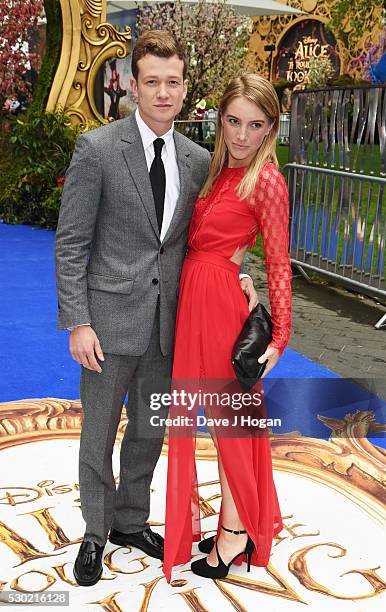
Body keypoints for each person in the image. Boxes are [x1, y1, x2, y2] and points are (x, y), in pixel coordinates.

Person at [54, 30, 257, 587]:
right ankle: (95, 535)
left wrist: (241, 274)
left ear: (185, 87)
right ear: (133, 87)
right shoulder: (97, 149)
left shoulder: (197, 161)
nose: (163, 93)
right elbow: (71, 242)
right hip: (108, 321)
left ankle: (129, 522)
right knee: (97, 433)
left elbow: (206, 237)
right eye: (152, 82)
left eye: (173, 82)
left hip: (172, 323)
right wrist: (77, 320)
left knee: (149, 429)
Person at [163, 74, 292, 582]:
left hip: (219, 309)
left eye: (254, 125)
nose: (241, 135)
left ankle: (236, 535)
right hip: (195, 302)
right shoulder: (219, 170)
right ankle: (231, 525)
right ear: (220, 119)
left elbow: (279, 263)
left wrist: (280, 334)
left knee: (230, 425)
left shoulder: (267, 181)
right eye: (233, 121)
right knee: (212, 423)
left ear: (270, 129)